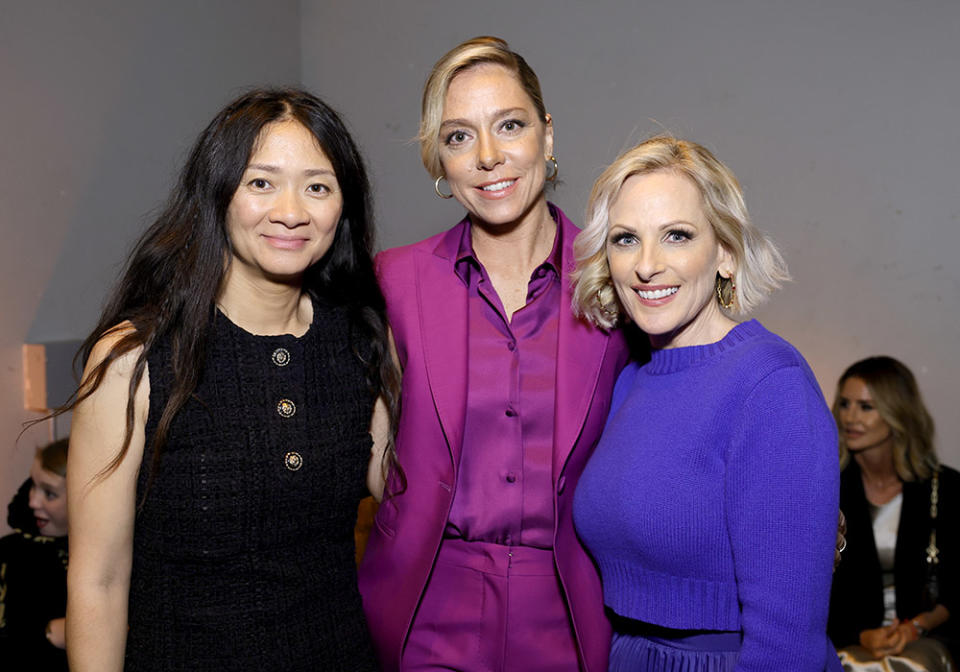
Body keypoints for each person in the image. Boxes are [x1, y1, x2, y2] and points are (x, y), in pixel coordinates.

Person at [65, 88, 396, 671]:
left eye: (317, 186)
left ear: (343, 206)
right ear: (217, 193)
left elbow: (410, 491)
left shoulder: (362, 343)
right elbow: (99, 579)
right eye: (261, 182)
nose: (291, 211)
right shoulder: (134, 357)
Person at [358, 36, 629, 672]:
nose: (487, 156)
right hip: (427, 603)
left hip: (573, 606)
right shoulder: (395, 279)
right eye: (458, 137)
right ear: (439, 163)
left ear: (547, 134)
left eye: (509, 125)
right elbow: (369, 447)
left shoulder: (615, 276)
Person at [571, 136, 842, 670]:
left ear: (725, 252)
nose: (646, 265)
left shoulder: (769, 385)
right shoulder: (631, 379)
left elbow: (787, 647)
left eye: (677, 236)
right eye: (626, 239)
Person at [828, 356, 958, 670]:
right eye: (844, 404)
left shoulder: (945, 488)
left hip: (930, 635)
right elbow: (815, 584)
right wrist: (862, 634)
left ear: (897, 413)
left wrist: (918, 625)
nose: (850, 417)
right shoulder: (829, 487)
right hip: (847, 638)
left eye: (866, 407)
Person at [0, 438, 69, 671]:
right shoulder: (10, 553)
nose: (32, 501)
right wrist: (51, 633)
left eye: (49, 494)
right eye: (33, 485)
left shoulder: (124, 554)